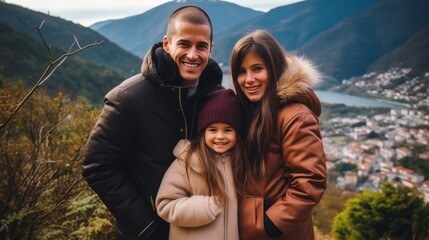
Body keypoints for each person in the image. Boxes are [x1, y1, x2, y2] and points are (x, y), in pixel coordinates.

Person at [81, 6, 223, 240]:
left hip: (199, 231)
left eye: (202, 46)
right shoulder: (127, 98)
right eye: (184, 44)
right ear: (167, 44)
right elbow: (97, 167)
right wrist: (146, 227)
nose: (193, 55)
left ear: (211, 49)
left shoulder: (215, 98)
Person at [230, 29, 327, 240]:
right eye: (241, 71)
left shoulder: (295, 116)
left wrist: (268, 225)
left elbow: (310, 182)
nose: (248, 79)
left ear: (274, 69)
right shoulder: (251, 109)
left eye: (257, 69)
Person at [155, 89, 246, 240]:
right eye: (213, 130)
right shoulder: (187, 161)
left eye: (228, 130)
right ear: (203, 132)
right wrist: (205, 207)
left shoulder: (240, 162)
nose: (220, 136)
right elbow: (165, 205)